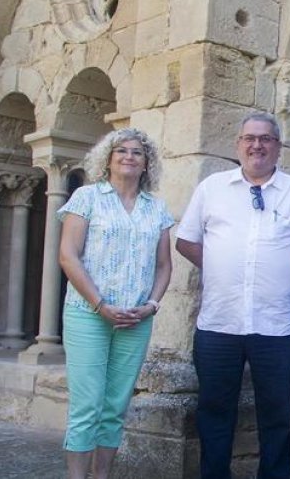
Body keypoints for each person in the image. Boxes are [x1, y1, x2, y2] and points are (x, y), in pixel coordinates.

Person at [176, 112, 290, 479]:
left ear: (278, 147)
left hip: (275, 323)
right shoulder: (212, 188)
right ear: (238, 145)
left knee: (277, 413)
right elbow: (186, 241)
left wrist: (288, 272)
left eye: (265, 139)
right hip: (219, 322)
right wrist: (217, 266)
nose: (257, 145)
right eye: (249, 138)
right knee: (214, 410)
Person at [58, 128, 174, 479]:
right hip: (88, 314)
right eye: (121, 150)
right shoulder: (87, 197)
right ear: (107, 159)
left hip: (136, 320)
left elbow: (165, 265)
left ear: (146, 163)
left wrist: (151, 305)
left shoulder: (157, 208)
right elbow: (68, 256)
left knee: (115, 406)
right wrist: (100, 305)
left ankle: (102, 476)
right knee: (86, 406)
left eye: (137, 152)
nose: (129, 156)